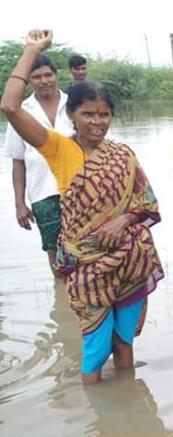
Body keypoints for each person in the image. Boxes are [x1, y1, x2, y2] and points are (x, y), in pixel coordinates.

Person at [1, 30, 164, 384]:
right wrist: (31, 50)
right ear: (71, 114)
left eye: (104, 114)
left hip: (129, 259)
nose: (98, 121)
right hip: (86, 266)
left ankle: (128, 405)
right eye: (88, 113)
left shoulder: (123, 154)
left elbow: (147, 203)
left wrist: (122, 220)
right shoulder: (58, 148)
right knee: (94, 348)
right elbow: (10, 107)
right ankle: (97, 418)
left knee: (124, 345)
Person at [5, 53, 72, 275]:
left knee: (87, 247)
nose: (44, 81)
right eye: (36, 77)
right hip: (43, 194)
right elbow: (18, 162)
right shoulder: (21, 111)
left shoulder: (75, 104)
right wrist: (19, 204)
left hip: (79, 189)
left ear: (56, 75)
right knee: (54, 252)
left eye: (48, 75)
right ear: (29, 80)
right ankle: (62, 300)